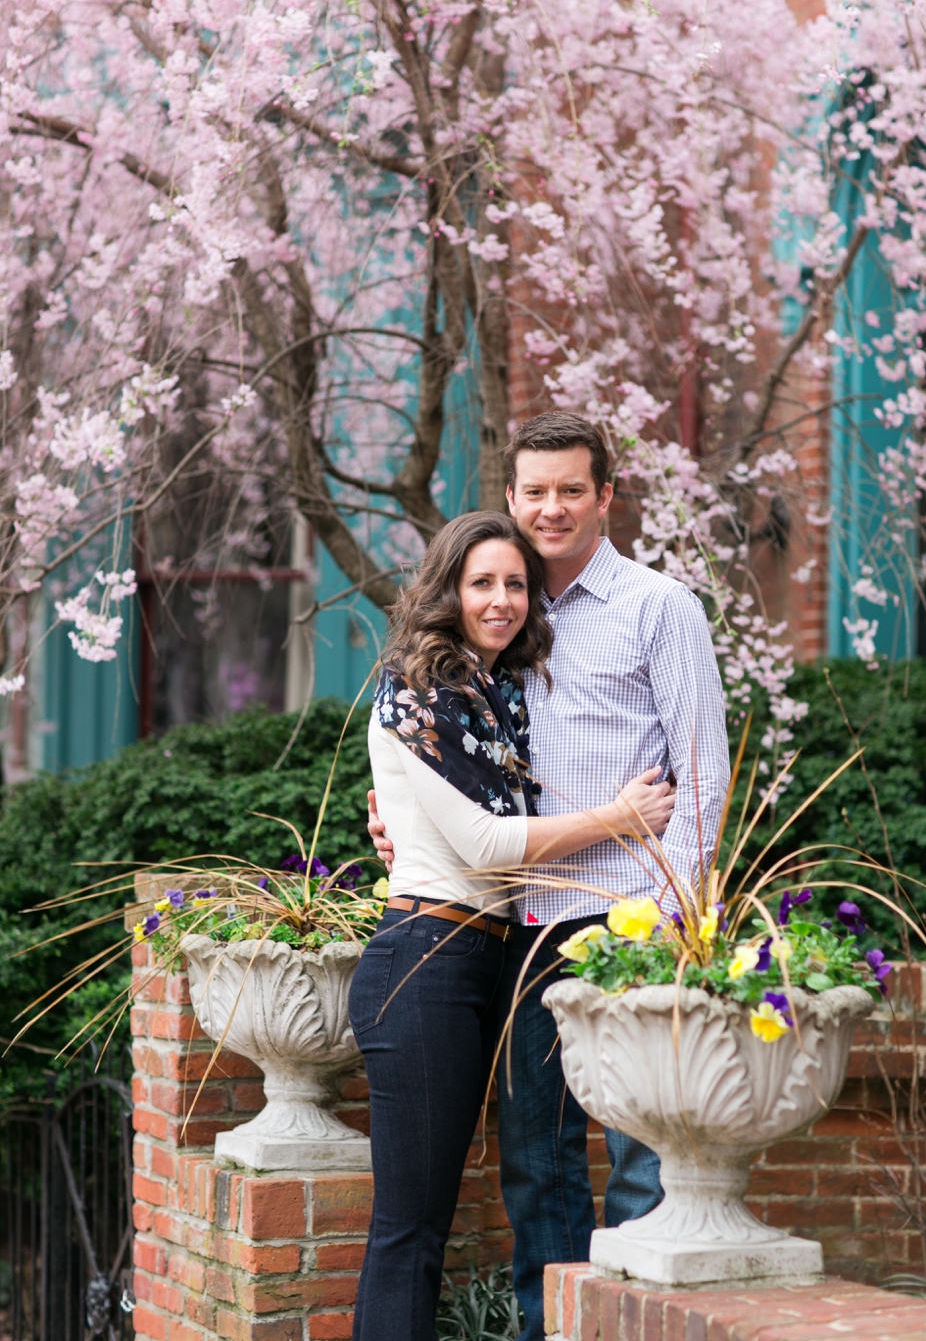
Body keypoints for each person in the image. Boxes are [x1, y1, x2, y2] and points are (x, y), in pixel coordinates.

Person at [368, 411, 731, 1341]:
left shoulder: (659, 608)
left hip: (630, 926)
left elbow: (702, 779)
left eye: (573, 488)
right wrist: (397, 820)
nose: (552, 506)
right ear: (512, 498)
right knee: (538, 1168)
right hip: (523, 935)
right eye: (535, 491)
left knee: (643, 1159)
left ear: (606, 496)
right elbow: (452, 772)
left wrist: (668, 927)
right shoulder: (502, 625)